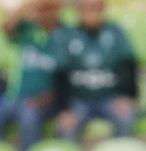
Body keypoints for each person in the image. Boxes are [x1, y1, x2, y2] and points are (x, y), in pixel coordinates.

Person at [0, 0, 64, 151]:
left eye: (49, 8)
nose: (45, 13)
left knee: (29, 116)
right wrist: (29, 5)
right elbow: (6, 26)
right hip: (16, 98)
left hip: (48, 101)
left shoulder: (66, 34)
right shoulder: (27, 30)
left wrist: (49, 97)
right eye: (41, 9)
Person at [52, 0, 138, 141]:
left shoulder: (115, 33)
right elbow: (59, 74)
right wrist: (64, 108)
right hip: (78, 100)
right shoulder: (68, 36)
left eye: (96, 8)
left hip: (110, 97)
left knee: (126, 117)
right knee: (65, 125)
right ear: (79, 11)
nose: (92, 13)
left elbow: (129, 65)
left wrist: (127, 96)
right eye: (87, 8)